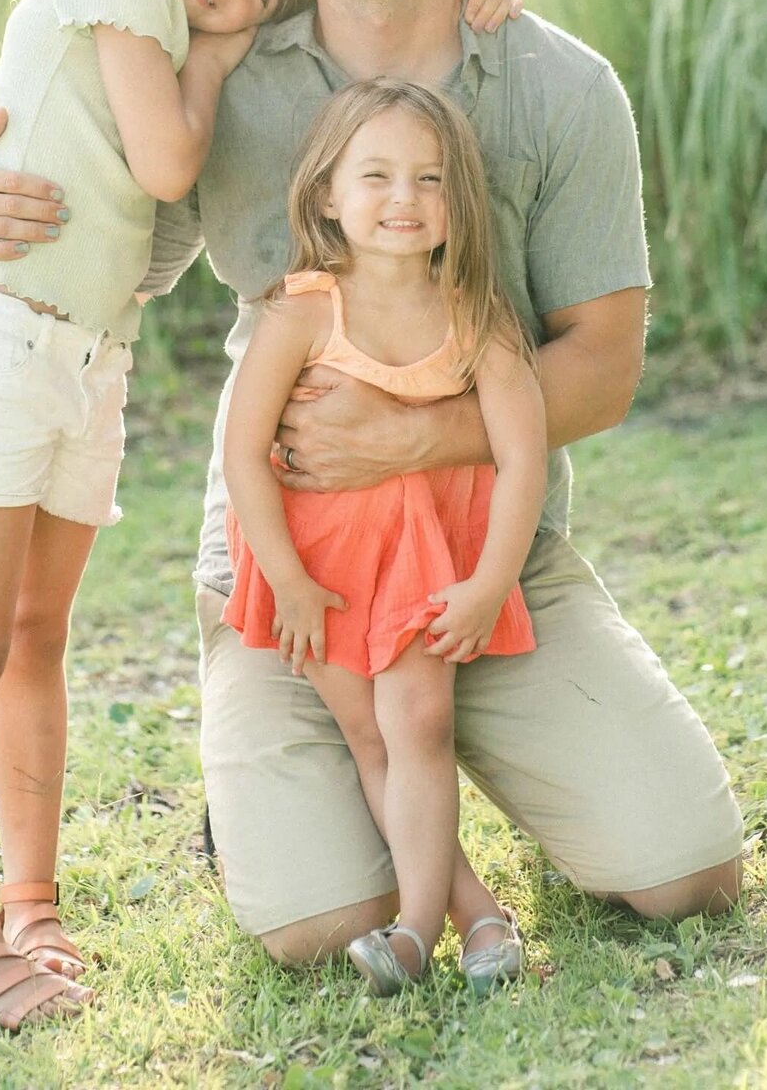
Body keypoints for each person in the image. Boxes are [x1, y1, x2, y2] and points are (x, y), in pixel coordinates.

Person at [0, 0, 744, 974]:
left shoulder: (559, 87)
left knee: (686, 871)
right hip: (294, 575)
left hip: (489, 564)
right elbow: (108, 241)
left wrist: (419, 434)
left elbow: (609, 366)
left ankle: (474, 739)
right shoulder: (228, 71)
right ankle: (294, 772)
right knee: (315, 925)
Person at [0, 0, 315, 1032]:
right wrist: (224, 54)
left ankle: (29, 906)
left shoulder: (169, 37)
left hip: (88, 360)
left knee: (37, 637)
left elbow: (156, 228)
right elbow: (168, 163)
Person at [223, 79, 546, 994]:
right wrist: (284, 579)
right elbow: (244, 456)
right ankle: (473, 912)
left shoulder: (476, 313)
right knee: (369, 732)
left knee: (420, 721)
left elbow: (523, 458)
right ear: (327, 192)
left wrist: (488, 583)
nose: (404, 199)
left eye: (430, 179)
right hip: (314, 562)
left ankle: (411, 930)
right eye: (376, 176)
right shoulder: (303, 311)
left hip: (421, 559)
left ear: (458, 200)